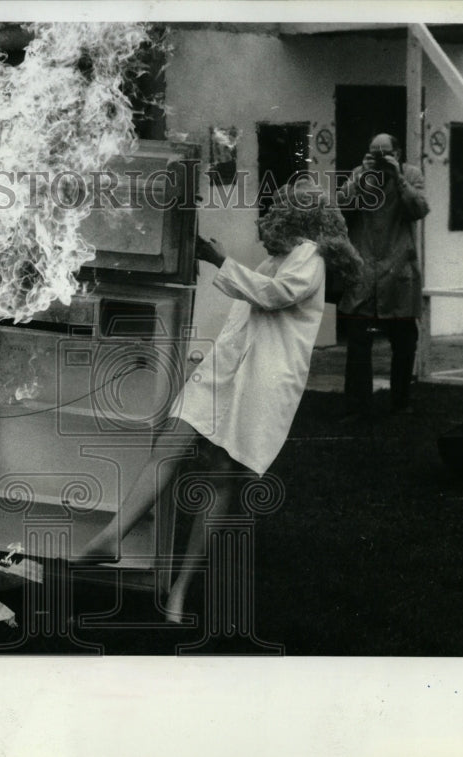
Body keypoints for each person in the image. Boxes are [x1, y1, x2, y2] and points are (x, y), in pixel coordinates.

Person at [77, 185, 362, 620]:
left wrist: (216, 258)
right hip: (230, 368)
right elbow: (257, 294)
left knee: (217, 472)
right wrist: (224, 261)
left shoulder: (310, 253)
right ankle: (114, 539)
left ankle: (178, 589)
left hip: (261, 380)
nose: (272, 213)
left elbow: (273, 295)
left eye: (281, 207)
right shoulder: (287, 257)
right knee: (177, 448)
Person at [338, 133, 429, 416]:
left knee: (404, 342)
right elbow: (340, 206)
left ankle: (400, 402)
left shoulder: (411, 174)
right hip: (365, 268)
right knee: (358, 340)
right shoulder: (359, 174)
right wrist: (362, 175)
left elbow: (420, 209)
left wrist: (397, 178)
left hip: (399, 269)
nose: (378, 159)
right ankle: (357, 405)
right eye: (373, 153)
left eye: (384, 153)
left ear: (398, 153)